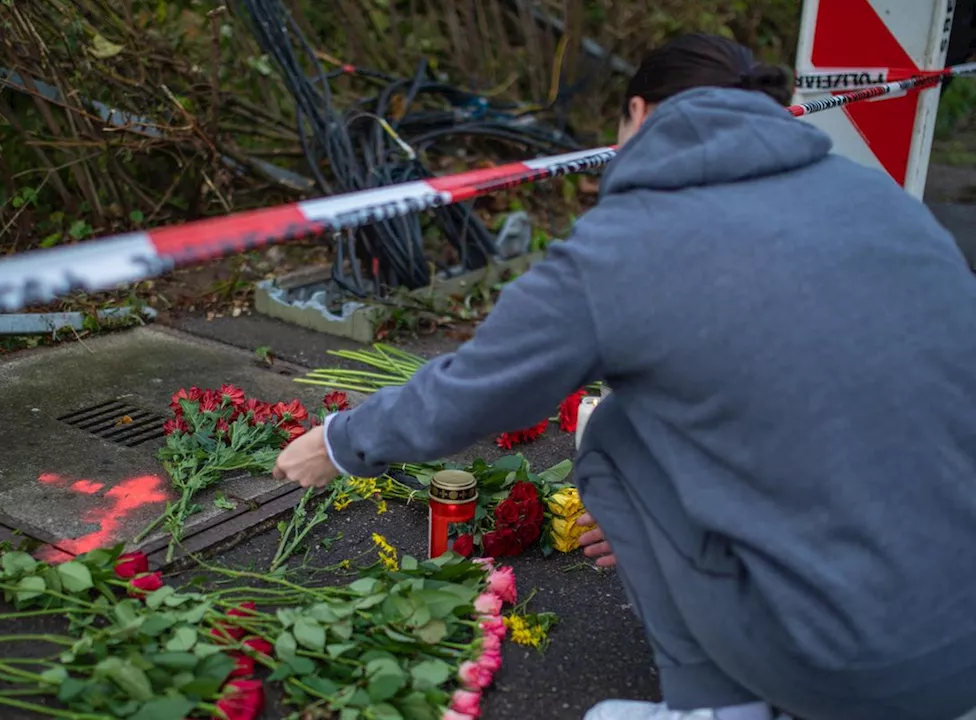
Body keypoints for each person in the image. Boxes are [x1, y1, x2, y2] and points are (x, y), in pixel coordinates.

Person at [272, 33, 976, 720]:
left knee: (615, 431)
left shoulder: (631, 242)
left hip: (850, 670)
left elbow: (481, 385)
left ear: (637, 115)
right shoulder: (877, 199)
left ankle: (715, 707)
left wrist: (339, 442)